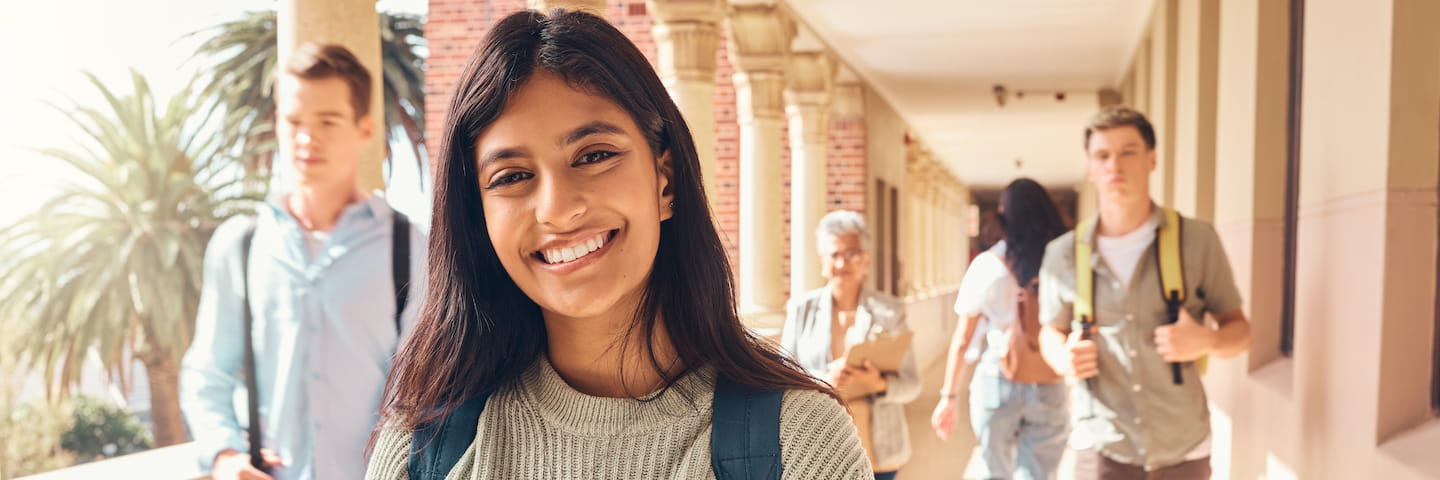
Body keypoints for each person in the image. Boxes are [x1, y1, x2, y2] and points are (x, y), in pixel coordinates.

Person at [364, 9, 870, 479]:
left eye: (594, 155)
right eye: (512, 175)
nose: (557, 209)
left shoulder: (800, 444)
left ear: (665, 182)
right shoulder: (422, 446)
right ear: (480, 220)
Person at [180, 43, 429, 480]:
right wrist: (224, 455)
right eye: (293, 121)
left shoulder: (410, 248)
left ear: (365, 129)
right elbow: (208, 374)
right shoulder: (240, 245)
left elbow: (424, 395)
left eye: (328, 122)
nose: (306, 139)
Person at [1038, 106, 1252, 479]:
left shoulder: (1196, 240)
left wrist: (1205, 340)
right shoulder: (1063, 254)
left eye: (1128, 152)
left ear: (1152, 159)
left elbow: (1240, 331)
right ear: (1090, 167)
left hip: (1183, 446)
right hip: (1101, 444)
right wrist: (1063, 358)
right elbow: (1050, 331)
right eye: (1102, 156)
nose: (1113, 166)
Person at [931, 178, 1070, 480]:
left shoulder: (987, 265)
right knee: (1040, 474)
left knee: (994, 472)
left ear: (1004, 214)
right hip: (1049, 375)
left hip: (997, 379)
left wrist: (949, 396)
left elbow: (962, 339)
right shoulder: (1061, 260)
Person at [780, 210, 921, 480]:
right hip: (817, 444)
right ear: (823, 262)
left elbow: (912, 385)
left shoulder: (890, 311)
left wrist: (878, 384)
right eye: (834, 254)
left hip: (878, 447)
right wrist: (822, 380)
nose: (842, 262)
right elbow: (783, 377)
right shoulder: (801, 309)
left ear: (866, 259)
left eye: (852, 253)